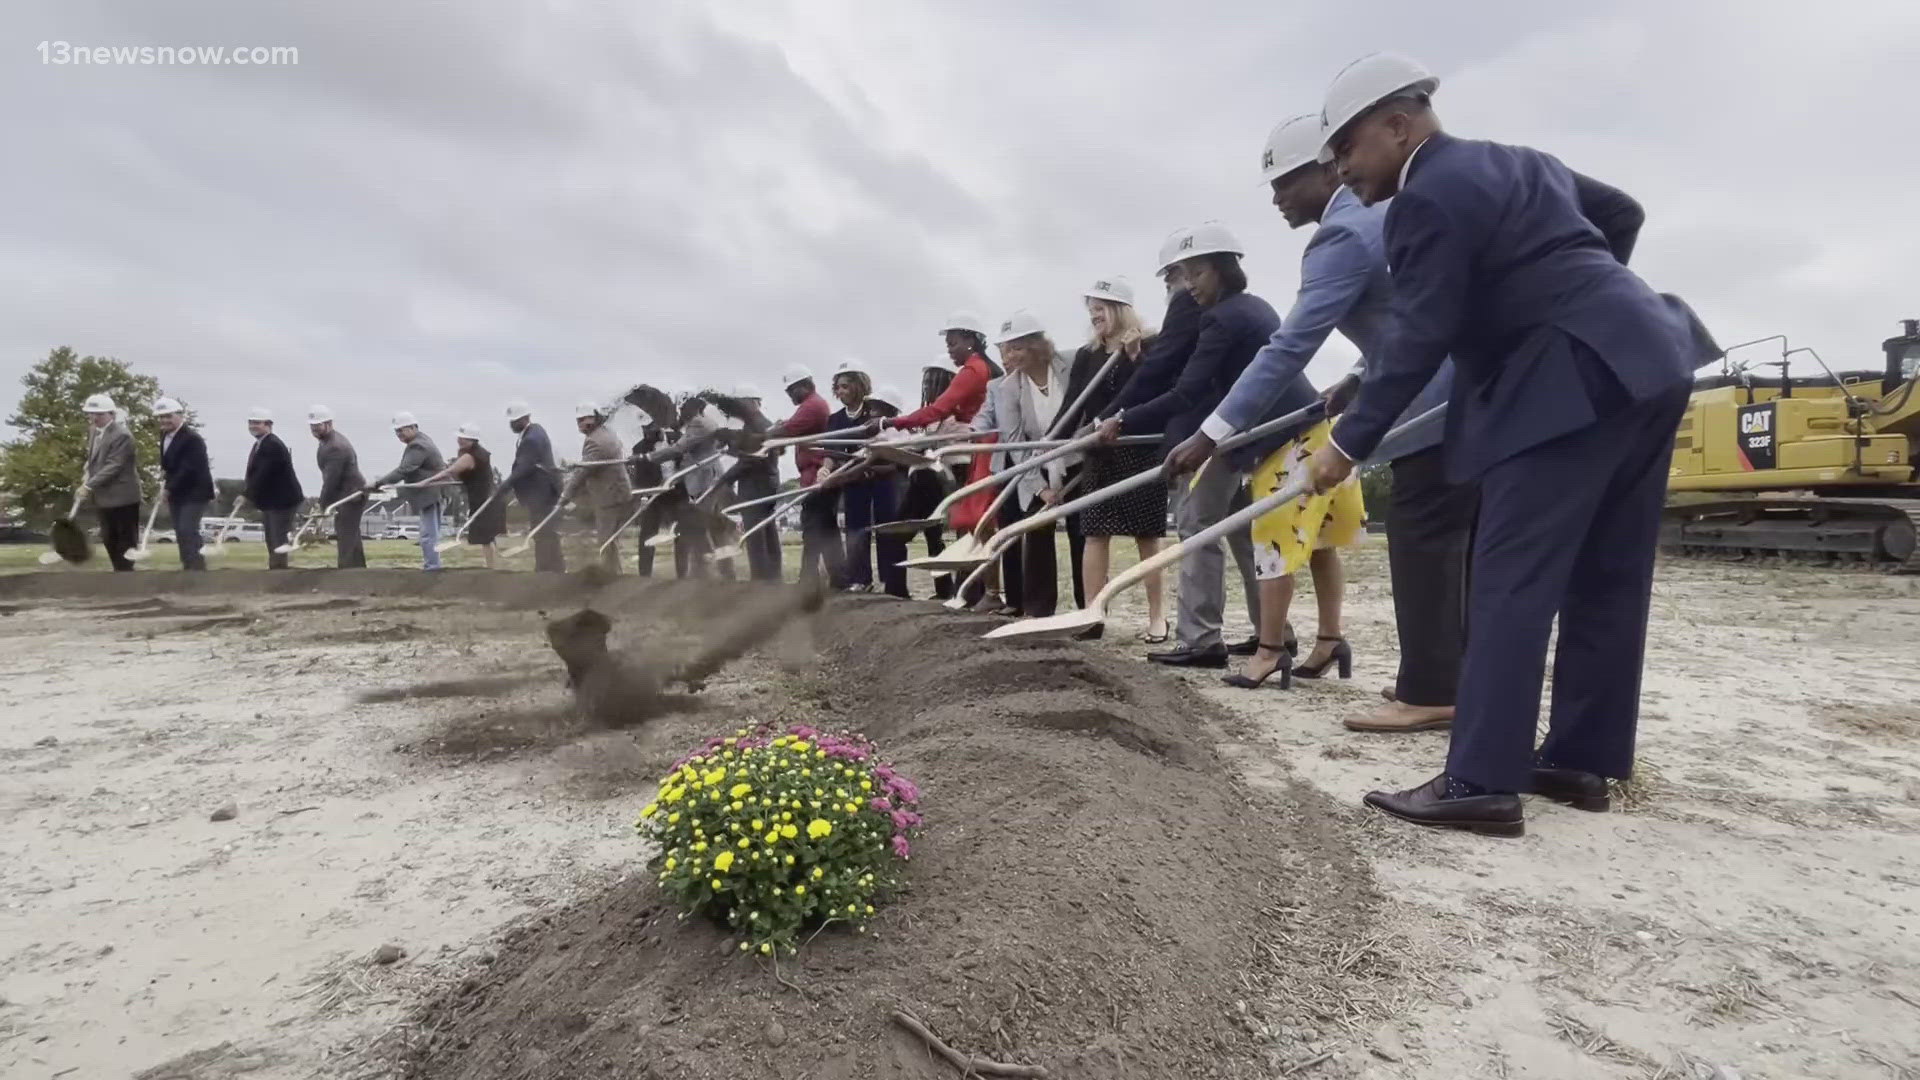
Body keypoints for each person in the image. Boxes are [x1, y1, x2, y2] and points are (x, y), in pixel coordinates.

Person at [1305, 53, 1713, 835]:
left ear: (1399, 123)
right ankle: (1578, 761)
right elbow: (1621, 213)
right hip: (1650, 354)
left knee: (1511, 576)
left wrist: (1347, 446)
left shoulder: (1424, 197)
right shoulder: (1522, 163)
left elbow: (1422, 332)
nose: (1342, 171)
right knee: (1606, 572)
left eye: (1346, 149)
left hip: (1566, 383)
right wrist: (1576, 300)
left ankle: (1480, 781)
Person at [1167, 113, 1438, 691]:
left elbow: (1288, 350)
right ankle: (1362, 652)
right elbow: (1414, 314)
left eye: (1282, 184)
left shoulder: (1341, 232)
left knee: (1298, 542)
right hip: (1350, 412)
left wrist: (1208, 435)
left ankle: (1280, 652)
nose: (1275, 200)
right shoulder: (1378, 215)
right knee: (1321, 546)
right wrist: (1360, 373)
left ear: (1324, 170)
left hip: (1318, 436)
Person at [1098, 224, 1278, 668]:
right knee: (1241, 530)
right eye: (1184, 275)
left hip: (1226, 431)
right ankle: (1273, 633)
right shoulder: (1253, 308)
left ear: (1223, 269)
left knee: (1198, 525)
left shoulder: (1221, 316)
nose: (1187, 285)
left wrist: (1119, 418)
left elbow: (1186, 389)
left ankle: (1201, 639)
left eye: (1196, 273)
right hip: (1246, 428)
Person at [1064, 277, 1169, 642]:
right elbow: (1074, 404)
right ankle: (1092, 614)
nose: (1094, 316)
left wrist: (1136, 356)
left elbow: (1156, 389)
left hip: (1139, 449)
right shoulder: (1086, 355)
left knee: (1147, 536)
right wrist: (1056, 440)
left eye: (1101, 309)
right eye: (1091, 310)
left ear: (1120, 310)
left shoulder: (1151, 345)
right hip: (1100, 452)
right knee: (1094, 532)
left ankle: (1158, 617)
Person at [887, 312, 1001, 603]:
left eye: (953, 343)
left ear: (970, 340)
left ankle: (977, 593)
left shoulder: (974, 371)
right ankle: (973, 593)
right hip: (982, 447)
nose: (950, 349)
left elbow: (937, 410)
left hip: (981, 450)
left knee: (975, 526)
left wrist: (889, 423)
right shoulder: (985, 368)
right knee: (973, 526)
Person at [979, 312, 1076, 618]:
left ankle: (1089, 611)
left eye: (1017, 348)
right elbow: (1016, 442)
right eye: (1006, 349)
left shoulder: (1070, 364)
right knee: (1035, 531)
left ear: (1037, 345)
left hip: (1079, 457)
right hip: (1037, 465)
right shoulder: (1009, 388)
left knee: (1083, 533)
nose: (1010, 356)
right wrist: (1041, 488)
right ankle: (1038, 611)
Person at [822, 361, 907, 596]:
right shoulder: (836, 419)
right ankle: (860, 578)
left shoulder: (875, 412)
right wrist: (826, 469)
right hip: (854, 480)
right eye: (837, 388)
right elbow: (831, 451)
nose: (840, 392)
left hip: (883, 480)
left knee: (886, 527)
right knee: (856, 528)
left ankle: (892, 581)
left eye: (845, 386)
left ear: (859, 386)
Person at [768, 366, 838, 586]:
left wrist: (767, 433)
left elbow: (786, 430)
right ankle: (837, 578)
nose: (789, 395)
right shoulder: (812, 405)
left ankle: (808, 579)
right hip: (813, 473)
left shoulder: (812, 406)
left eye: (791, 390)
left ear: (805, 386)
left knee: (812, 528)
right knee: (826, 530)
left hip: (816, 473)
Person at [368, 412, 447, 570]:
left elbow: (404, 470)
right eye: (396, 431)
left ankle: (432, 568)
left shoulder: (418, 446)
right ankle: (433, 565)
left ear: (413, 427)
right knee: (430, 533)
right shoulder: (423, 440)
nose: (399, 434)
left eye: (401, 430)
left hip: (430, 495)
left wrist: (378, 483)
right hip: (433, 493)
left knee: (427, 535)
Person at [424, 422, 506, 569]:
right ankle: (492, 567)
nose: (460, 440)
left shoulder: (472, 456)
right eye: (460, 437)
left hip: (486, 501)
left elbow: (450, 471)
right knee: (487, 538)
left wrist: (427, 481)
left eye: (464, 438)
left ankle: (492, 570)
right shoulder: (469, 452)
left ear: (472, 440)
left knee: (485, 538)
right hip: (482, 498)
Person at [561, 402, 630, 574]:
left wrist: (566, 495)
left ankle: (613, 577)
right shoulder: (607, 433)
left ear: (593, 419)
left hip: (609, 496)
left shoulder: (594, 441)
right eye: (578, 421)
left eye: (582, 420)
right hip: (619, 492)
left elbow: (584, 472)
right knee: (611, 540)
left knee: (606, 541)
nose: (579, 425)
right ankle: (615, 575)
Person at [723, 384, 783, 582]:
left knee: (756, 536)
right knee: (768, 531)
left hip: (756, 486)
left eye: (737, 404)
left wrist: (723, 480)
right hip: (767, 483)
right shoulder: (763, 424)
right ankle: (773, 580)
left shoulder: (757, 426)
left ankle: (761, 582)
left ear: (749, 402)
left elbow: (750, 460)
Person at [79, 394, 141, 571]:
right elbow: (94, 460)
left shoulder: (122, 435)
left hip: (123, 497)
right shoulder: (93, 431)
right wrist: (86, 474)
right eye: (91, 413)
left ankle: (126, 574)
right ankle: (118, 572)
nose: (94, 417)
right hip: (103, 497)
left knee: (125, 539)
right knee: (108, 537)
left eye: (99, 414)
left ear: (111, 414)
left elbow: (114, 465)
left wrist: (89, 485)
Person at [505, 401, 565, 573]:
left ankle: (550, 571)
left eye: (515, 421)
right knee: (543, 532)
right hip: (538, 492)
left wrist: (504, 486)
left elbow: (523, 467)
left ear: (525, 418)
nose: (512, 424)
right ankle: (549, 569)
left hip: (543, 493)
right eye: (511, 421)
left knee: (545, 533)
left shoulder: (532, 438)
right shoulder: (532, 432)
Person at [154, 397, 212, 571]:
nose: (164, 420)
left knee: (187, 528)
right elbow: (169, 462)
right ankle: (187, 565)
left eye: (168, 416)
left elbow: (188, 469)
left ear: (180, 416)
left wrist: (168, 489)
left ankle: (196, 566)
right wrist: (164, 472)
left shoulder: (192, 439)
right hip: (177, 492)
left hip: (195, 492)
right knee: (180, 531)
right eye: (161, 417)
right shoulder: (164, 435)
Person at [243, 407, 303, 570]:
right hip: (272, 501)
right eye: (250, 423)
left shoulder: (272, 445)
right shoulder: (260, 445)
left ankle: (279, 571)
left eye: (257, 423)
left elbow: (262, 473)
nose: (252, 426)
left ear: (268, 425)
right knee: (272, 537)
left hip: (283, 501)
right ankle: (276, 568)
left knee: (277, 537)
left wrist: (246, 495)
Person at [308, 405, 368, 569]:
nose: (314, 429)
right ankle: (357, 570)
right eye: (312, 426)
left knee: (345, 532)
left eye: (317, 425)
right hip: (346, 492)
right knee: (351, 533)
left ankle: (346, 570)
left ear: (329, 424)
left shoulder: (335, 447)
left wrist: (322, 504)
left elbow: (331, 480)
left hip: (351, 494)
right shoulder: (326, 442)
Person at [628, 425, 672, 577]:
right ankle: (644, 575)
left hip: (677, 493)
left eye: (651, 428)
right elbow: (641, 478)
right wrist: (644, 497)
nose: (647, 432)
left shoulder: (675, 439)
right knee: (647, 534)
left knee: (685, 531)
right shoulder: (639, 448)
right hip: (653, 494)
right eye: (645, 428)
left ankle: (687, 574)